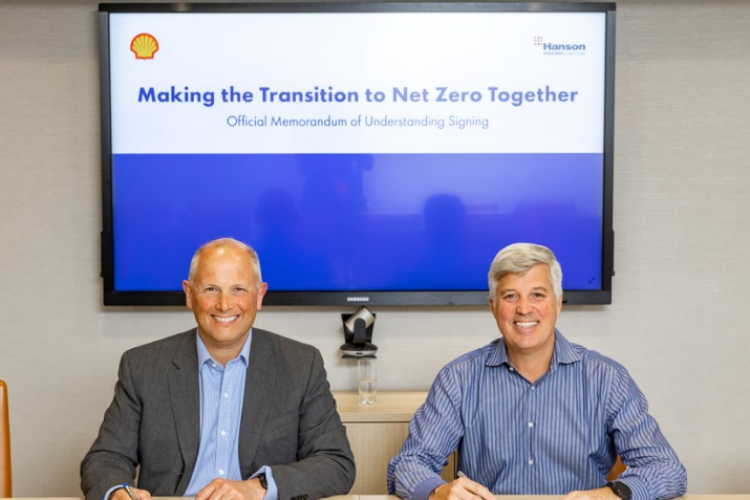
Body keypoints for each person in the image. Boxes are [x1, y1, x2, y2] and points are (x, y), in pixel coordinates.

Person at [387, 243, 687, 500]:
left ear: (558, 303)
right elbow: (408, 464)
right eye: (510, 296)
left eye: (538, 295)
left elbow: (666, 468)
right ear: (493, 306)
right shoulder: (458, 378)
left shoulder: (606, 378)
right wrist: (438, 491)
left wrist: (613, 493)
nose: (524, 309)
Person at [81, 238, 355, 500]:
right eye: (211, 289)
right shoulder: (142, 366)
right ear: (190, 295)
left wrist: (259, 488)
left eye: (239, 289)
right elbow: (106, 459)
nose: (225, 304)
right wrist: (117, 492)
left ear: (259, 295)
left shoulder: (301, 364)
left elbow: (335, 462)